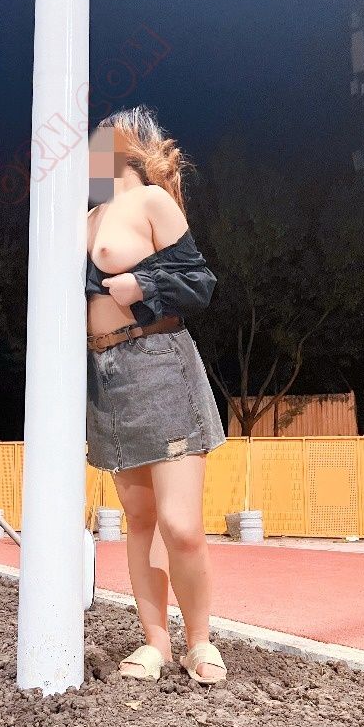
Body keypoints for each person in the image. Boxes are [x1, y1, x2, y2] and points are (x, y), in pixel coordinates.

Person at [85, 105, 228, 685]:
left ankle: (201, 641)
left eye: (92, 146)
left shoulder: (150, 201)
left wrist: (141, 283)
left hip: (159, 364)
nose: (83, 158)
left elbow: (199, 282)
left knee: (180, 524)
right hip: (105, 377)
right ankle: (156, 643)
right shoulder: (84, 219)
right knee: (139, 518)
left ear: (118, 148)